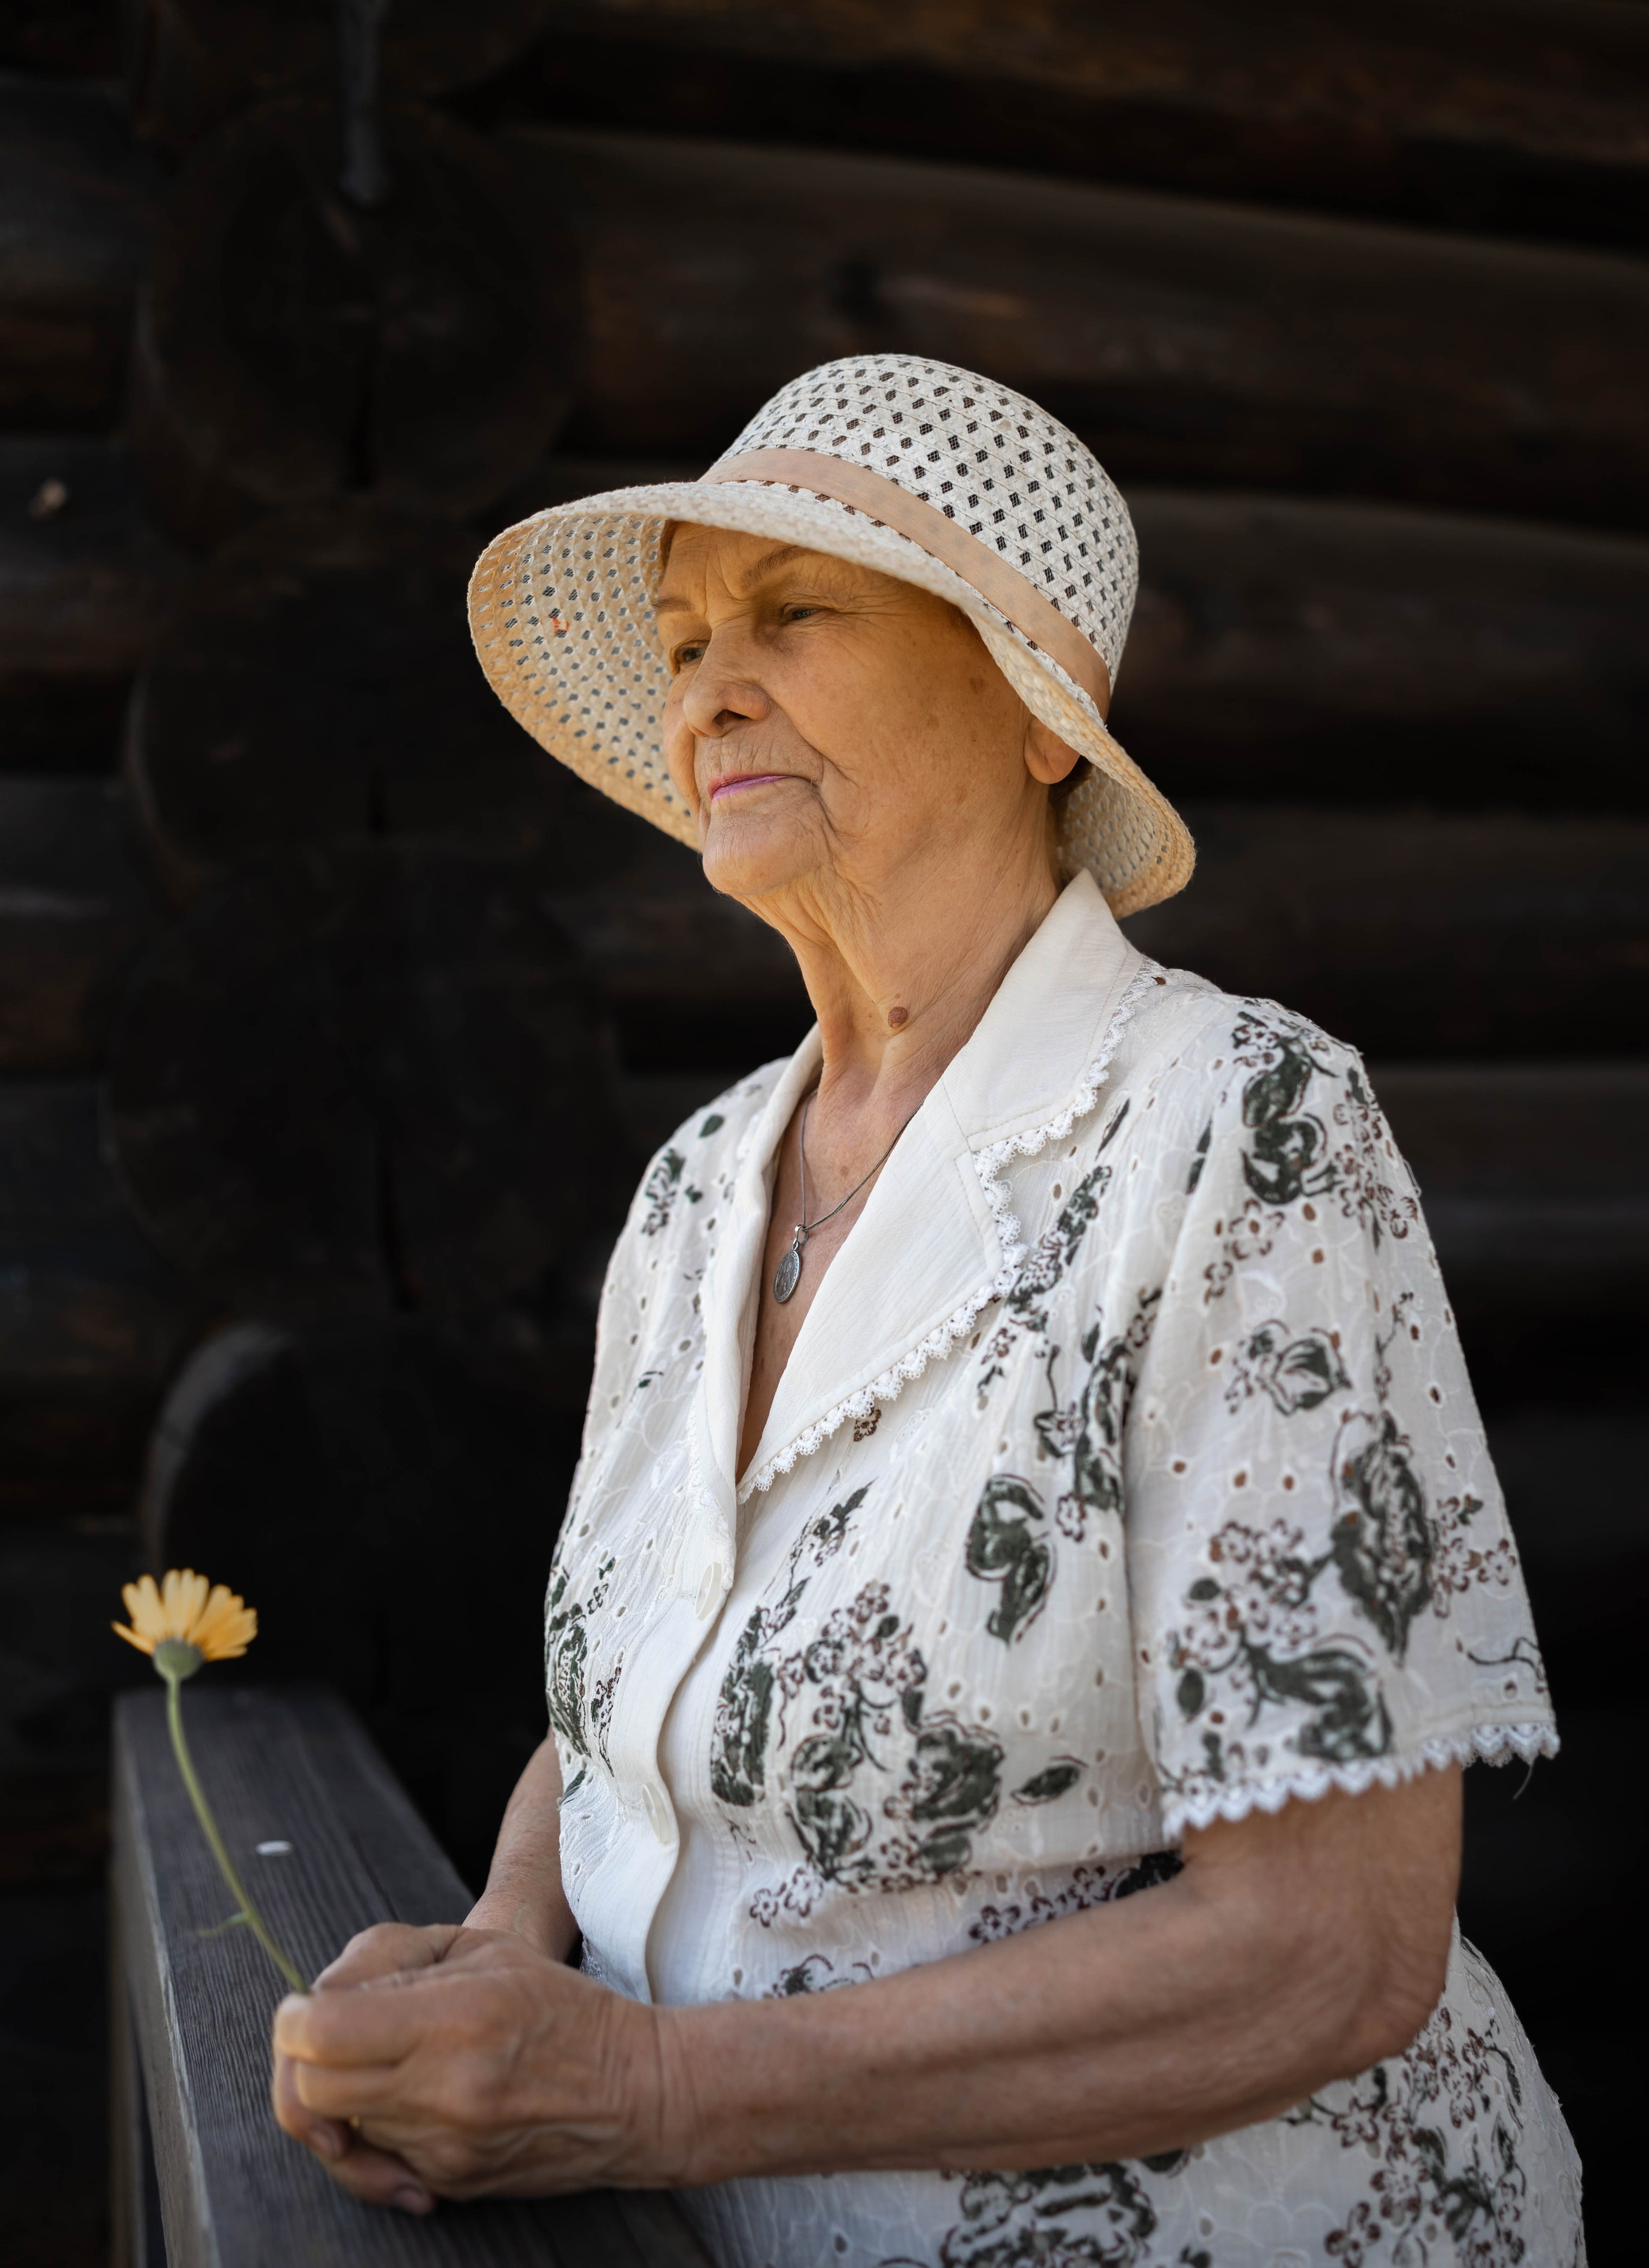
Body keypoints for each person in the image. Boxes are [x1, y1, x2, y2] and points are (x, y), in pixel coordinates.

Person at [272, 356, 1582, 2266]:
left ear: (1041, 718)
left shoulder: (1234, 1123)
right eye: (684, 632)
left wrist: (644, 2090)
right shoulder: (700, 1181)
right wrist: (498, 1953)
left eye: (795, 613)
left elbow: (1329, 1948)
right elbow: (646, 1673)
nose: (710, 682)